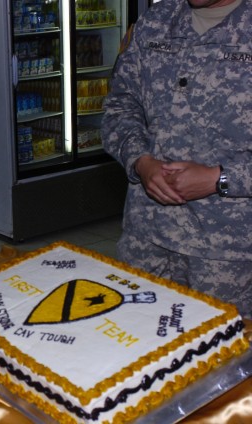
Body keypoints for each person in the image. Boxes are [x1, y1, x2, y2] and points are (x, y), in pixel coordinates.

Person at [102, 0, 252, 318]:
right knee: (133, 350)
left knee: (222, 362)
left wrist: (221, 178)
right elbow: (120, 105)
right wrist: (140, 162)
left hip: (228, 257)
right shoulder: (155, 22)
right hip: (147, 238)